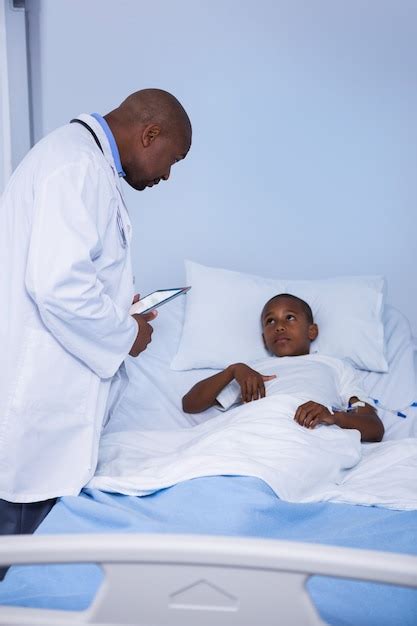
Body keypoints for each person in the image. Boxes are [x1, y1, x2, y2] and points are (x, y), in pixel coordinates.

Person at [0, 88, 192, 537]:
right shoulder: (76, 166)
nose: (167, 175)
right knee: (15, 573)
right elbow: (57, 287)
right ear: (150, 133)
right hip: (34, 414)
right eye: (173, 159)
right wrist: (127, 332)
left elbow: (68, 274)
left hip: (43, 412)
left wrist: (114, 305)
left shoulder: (82, 162)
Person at [182, 293, 384, 443]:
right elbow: (190, 404)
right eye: (270, 321)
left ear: (312, 331)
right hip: (253, 433)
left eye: (289, 317)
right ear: (264, 339)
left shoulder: (335, 366)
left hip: (309, 434)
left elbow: (374, 428)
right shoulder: (251, 370)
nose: (279, 326)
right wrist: (233, 371)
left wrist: (333, 417)